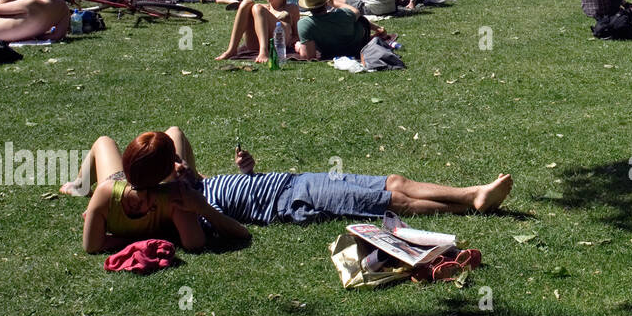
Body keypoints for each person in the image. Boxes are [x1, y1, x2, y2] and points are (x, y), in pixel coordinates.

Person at [202, 144, 513, 224]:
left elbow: (175, 133)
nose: (180, 164)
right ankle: (469, 205)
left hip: (295, 180)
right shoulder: (194, 205)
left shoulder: (196, 182)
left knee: (395, 181)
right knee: (390, 202)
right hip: (292, 200)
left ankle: (473, 194)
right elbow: (225, 226)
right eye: (173, 164)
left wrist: (248, 169)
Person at [61, 128, 251, 253]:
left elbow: (92, 246)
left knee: (103, 141)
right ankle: (199, 180)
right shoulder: (176, 197)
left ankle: (80, 185)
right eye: (174, 161)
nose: (179, 164)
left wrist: (124, 238)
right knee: (175, 131)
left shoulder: (104, 193)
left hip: (118, 184)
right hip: (155, 184)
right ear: (165, 172)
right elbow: (195, 242)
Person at [215, 0, 300, 63]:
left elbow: (297, 35)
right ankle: (231, 49)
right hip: (255, 43)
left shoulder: (291, 8)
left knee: (257, 7)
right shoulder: (262, 8)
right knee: (246, 3)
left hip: (278, 42)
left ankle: (264, 51)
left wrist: (292, 40)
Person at [295, 0, 372, 59]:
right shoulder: (343, 14)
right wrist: (334, 3)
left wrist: (299, 48)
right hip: (355, 50)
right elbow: (356, 11)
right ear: (326, 3)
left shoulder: (304, 24)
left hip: (328, 53)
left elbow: (309, 56)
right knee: (361, 21)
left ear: (308, 7)